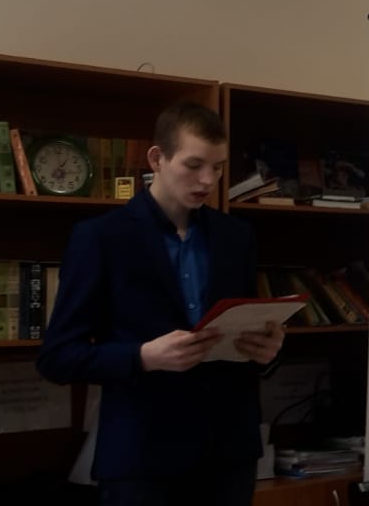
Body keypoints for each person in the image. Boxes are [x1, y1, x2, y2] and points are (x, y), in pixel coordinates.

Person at [36, 102, 284, 506]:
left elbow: (244, 330)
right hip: (142, 457)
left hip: (229, 454)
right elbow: (57, 357)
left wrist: (267, 351)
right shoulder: (100, 238)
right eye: (194, 165)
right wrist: (143, 357)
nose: (208, 180)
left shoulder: (237, 236)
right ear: (157, 158)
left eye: (218, 168)